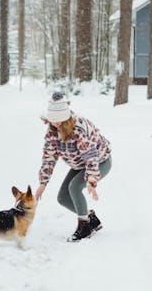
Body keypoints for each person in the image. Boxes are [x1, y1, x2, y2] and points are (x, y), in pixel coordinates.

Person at [35, 92, 112, 242]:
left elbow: (91, 156)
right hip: (80, 165)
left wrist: (91, 181)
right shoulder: (52, 132)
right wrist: (43, 183)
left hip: (100, 162)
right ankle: (91, 219)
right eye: (53, 120)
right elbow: (49, 157)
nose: (56, 124)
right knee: (63, 198)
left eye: (60, 121)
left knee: (75, 187)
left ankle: (84, 227)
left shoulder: (79, 128)